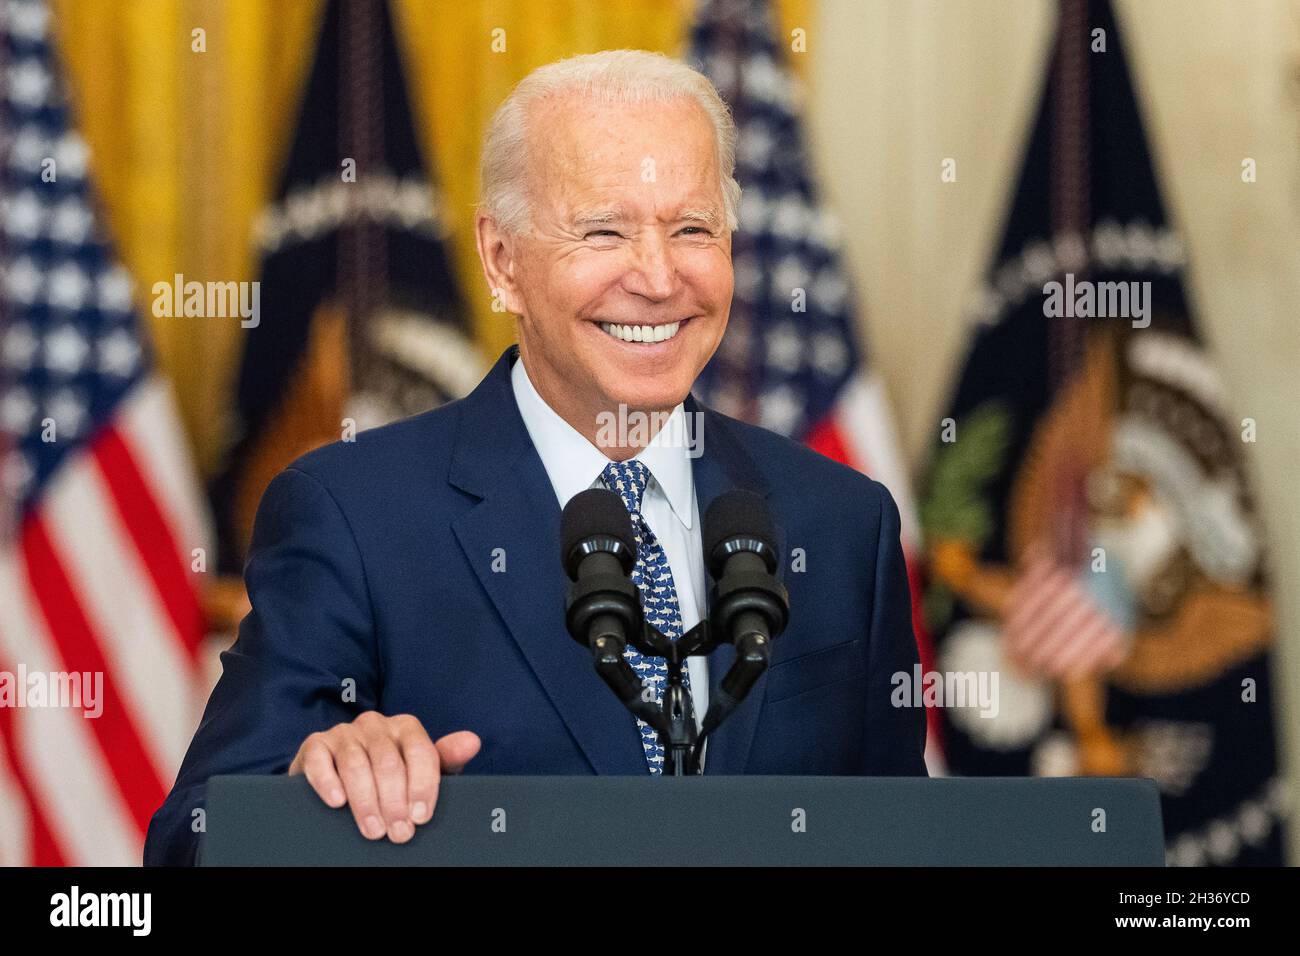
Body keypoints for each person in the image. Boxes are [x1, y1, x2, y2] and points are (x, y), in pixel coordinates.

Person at [145, 49, 925, 866]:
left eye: (692, 228)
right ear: (502, 261)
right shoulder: (353, 516)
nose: (658, 278)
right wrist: (304, 791)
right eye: (604, 231)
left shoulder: (840, 523)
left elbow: (906, 844)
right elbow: (191, 840)